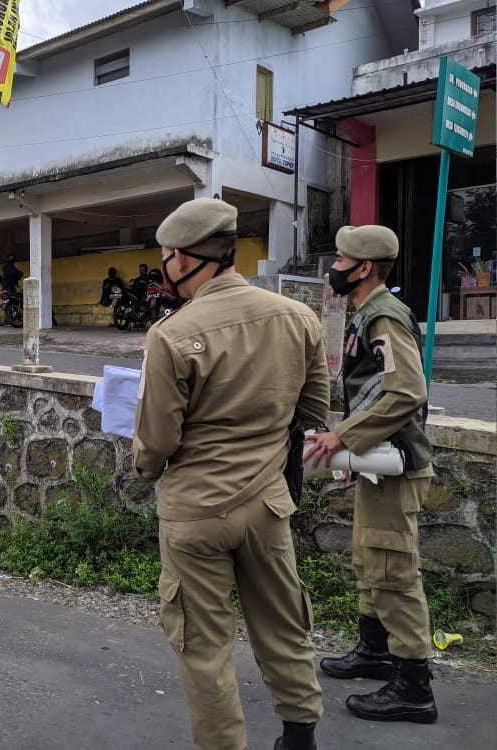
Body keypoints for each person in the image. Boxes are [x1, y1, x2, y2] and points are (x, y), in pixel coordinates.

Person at [133, 198, 329, 750]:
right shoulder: (298, 317)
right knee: (284, 624)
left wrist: (144, 470)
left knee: (204, 645)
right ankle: (299, 734)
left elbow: (158, 442)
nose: (165, 266)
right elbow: (314, 413)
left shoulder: (171, 334)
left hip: (195, 511)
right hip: (268, 506)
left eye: (166, 256)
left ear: (182, 258)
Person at [303, 225, 438, 725]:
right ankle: (377, 651)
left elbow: (406, 392)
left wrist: (344, 438)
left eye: (340, 260)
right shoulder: (369, 312)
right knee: (370, 558)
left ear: (362, 268)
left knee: (392, 570)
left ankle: (413, 686)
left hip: (397, 462)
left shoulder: (384, 315)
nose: (332, 268)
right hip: (379, 458)